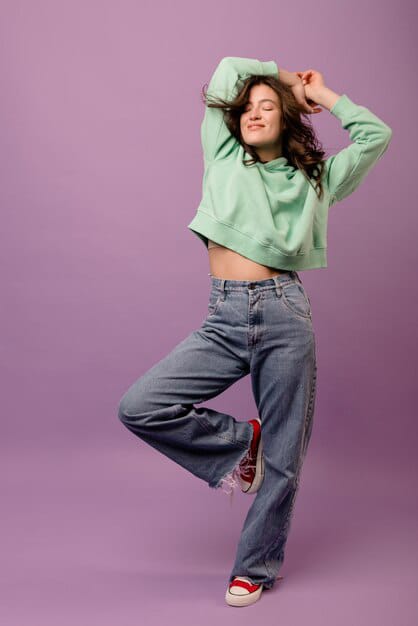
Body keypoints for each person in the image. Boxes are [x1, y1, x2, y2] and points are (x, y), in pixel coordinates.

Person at [117, 56, 392, 607]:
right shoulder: (223, 156)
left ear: (289, 119)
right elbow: (227, 72)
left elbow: (375, 135)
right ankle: (245, 444)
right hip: (223, 317)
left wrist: (324, 93)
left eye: (268, 107)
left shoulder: (315, 177)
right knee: (141, 405)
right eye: (247, 107)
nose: (253, 113)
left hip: (283, 313)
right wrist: (283, 78)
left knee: (287, 461)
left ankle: (255, 568)